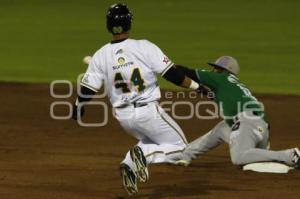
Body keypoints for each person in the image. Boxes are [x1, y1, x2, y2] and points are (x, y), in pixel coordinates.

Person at [71, 3, 201, 195]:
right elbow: (172, 75)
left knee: (152, 139)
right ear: (129, 23)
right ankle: (143, 156)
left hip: (124, 118)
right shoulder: (143, 47)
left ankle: (129, 163)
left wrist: (78, 106)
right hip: (147, 111)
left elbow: (88, 89)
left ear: (109, 26)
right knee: (181, 148)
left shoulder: (100, 55)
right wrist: (197, 87)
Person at [174, 56, 300, 169]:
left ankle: (290, 155)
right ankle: (185, 155)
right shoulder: (234, 85)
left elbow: (187, 72)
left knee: (239, 157)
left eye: (216, 68)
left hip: (248, 124)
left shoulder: (221, 78)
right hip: (258, 127)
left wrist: (169, 67)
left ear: (225, 70)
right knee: (221, 129)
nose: (213, 71)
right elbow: (216, 95)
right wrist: (203, 90)